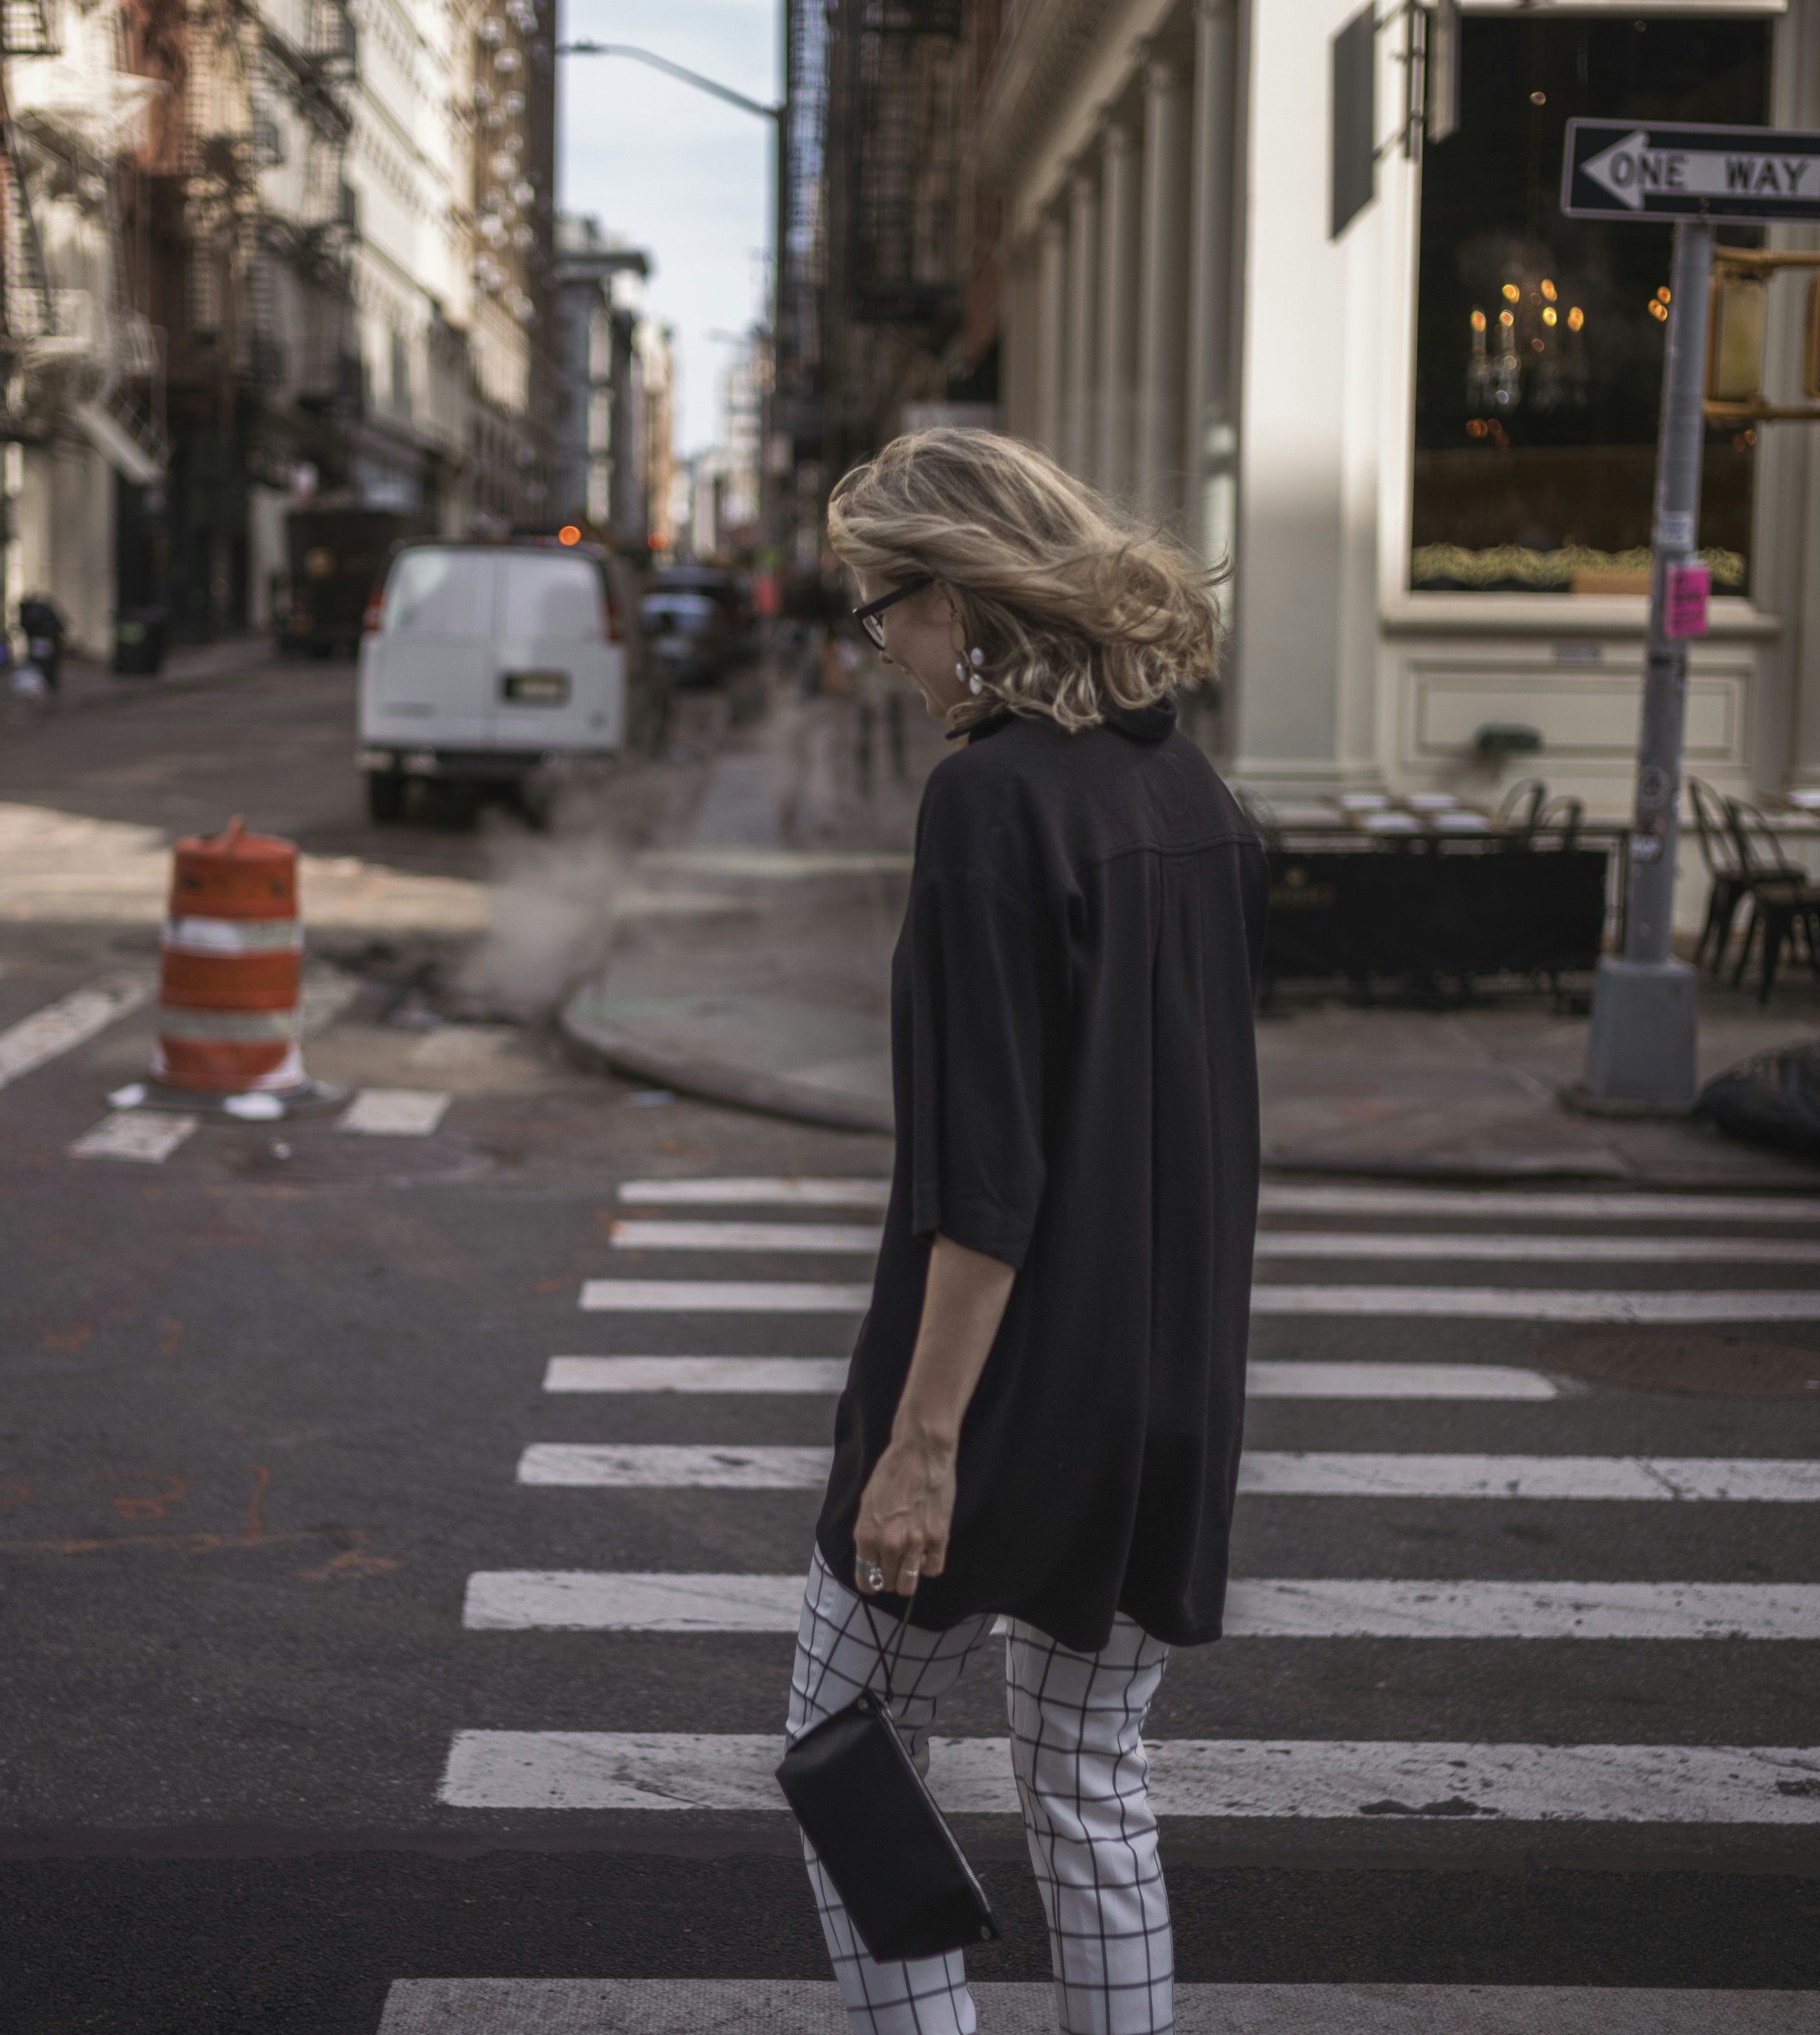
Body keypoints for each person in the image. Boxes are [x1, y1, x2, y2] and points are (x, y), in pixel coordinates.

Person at [790, 428, 1264, 2035]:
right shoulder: (1181, 786)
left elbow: (981, 1179)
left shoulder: (988, 800)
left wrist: (917, 1442)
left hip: (1001, 1393)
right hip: (1162, 1386)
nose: (883, 649)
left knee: (842, 1736)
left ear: (965, 594)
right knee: (1088, 1781)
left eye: (884, 610)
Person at [17, 590, 68, 701]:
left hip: (41, 641)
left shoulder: (32, 611)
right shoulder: (42, 610)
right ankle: (46, 683)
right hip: (47, 641)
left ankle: (42, 684)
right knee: (45, 664)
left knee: (40, 664)